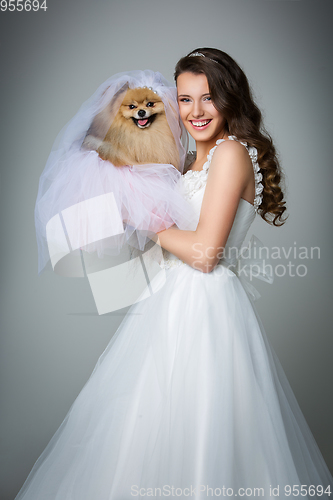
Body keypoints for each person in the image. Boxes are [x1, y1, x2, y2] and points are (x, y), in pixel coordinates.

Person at [15, 50, 332, 499]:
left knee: (198, 423)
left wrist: (148, 220)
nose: (195, 112)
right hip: (172, 301)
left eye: (208, 98)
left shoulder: (231, 155)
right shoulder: (189, 163)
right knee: (150, 424)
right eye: (184, 100)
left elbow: (204, 253)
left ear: (230, 99)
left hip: (203, 307)